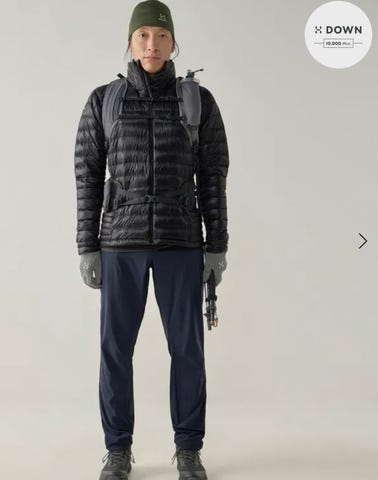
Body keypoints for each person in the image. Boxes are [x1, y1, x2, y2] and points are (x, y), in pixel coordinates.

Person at [74, 1, 229, 479]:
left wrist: (217, 245)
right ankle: (118, 449)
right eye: (143, 35)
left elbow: (213, 176)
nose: (152, 44)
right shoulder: (104, 100)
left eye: (161, 36)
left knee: (187, 350)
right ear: (130, 42)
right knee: (115, 351)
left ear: (173, 43)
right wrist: (87, 245)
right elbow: (87, 175)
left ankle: (189, 449)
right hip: (120, 244)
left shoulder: (197, 102)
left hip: (181, 242)